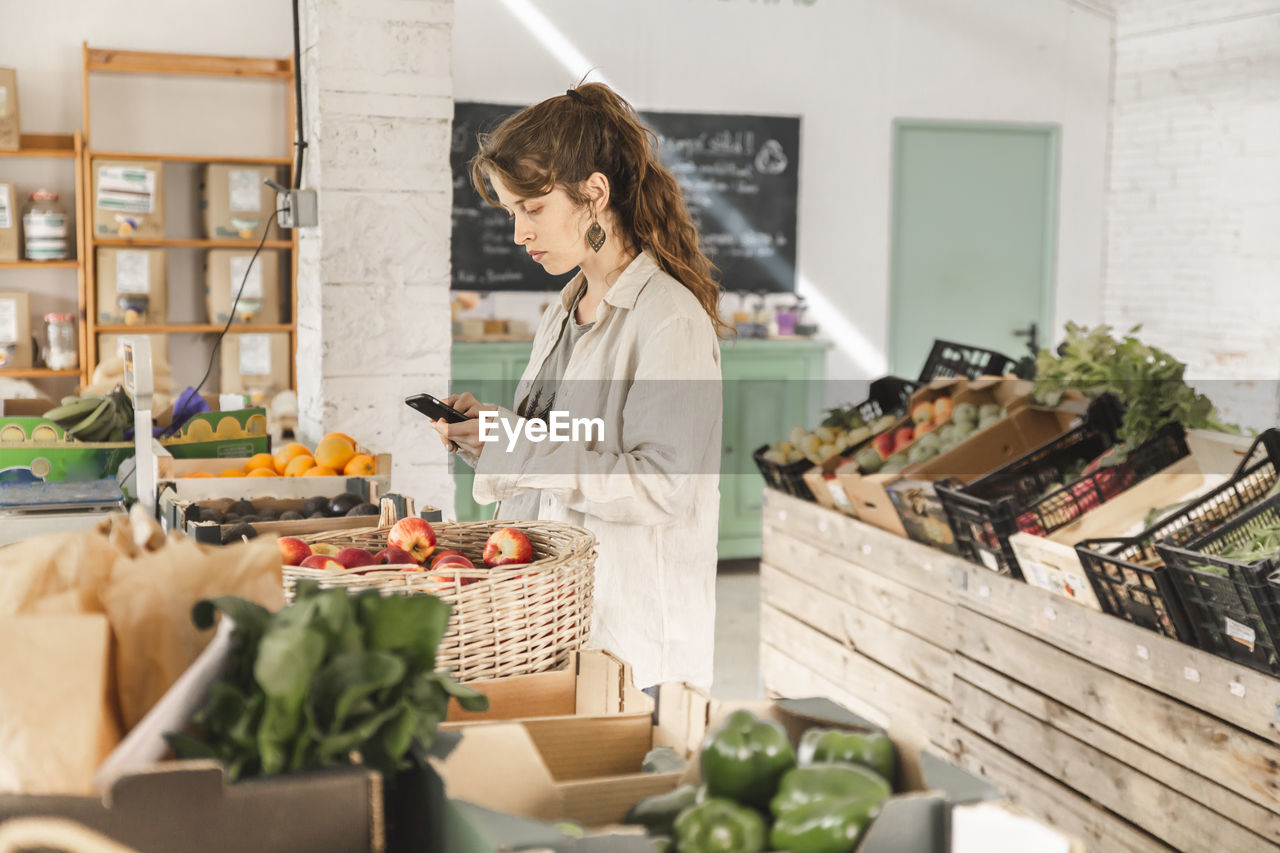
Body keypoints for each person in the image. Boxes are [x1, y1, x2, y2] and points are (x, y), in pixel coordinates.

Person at [433, 82, 726, 691]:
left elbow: (660, 486)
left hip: (633, 645)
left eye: (532, 209)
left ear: (594, 194)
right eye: (512, 212)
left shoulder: (668, 319)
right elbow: (569, 443)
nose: (518, 233)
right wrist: (493, 432)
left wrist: (516, 449)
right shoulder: (564, 312)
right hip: (553, 625)